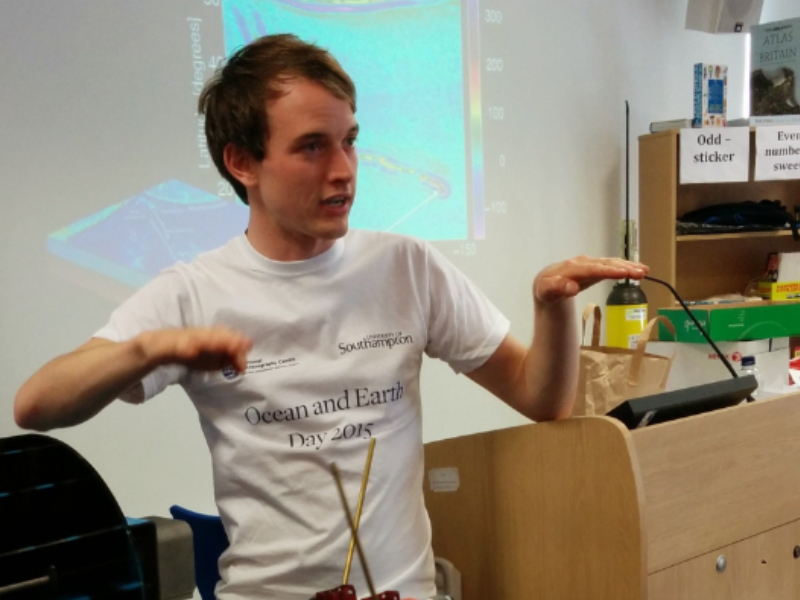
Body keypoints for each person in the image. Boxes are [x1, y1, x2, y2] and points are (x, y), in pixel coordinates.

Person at [14, 34, 647, 600]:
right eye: (312, 147)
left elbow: (543, 399)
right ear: (242, 163)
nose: (343, 171)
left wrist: (551, 309)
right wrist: (145, 350)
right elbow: (36, 406)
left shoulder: (406, 266)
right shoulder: (194, 292)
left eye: (349, 142)